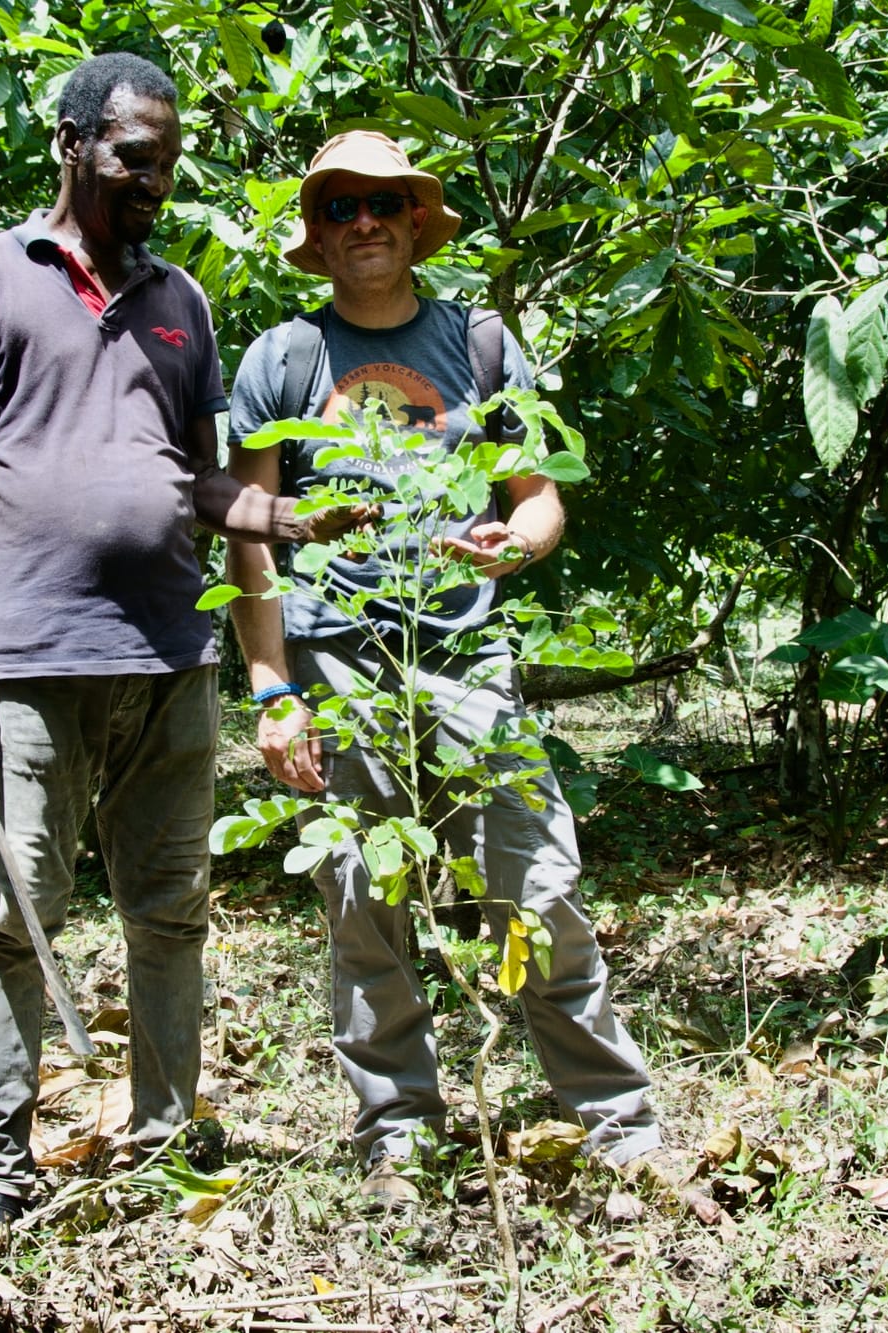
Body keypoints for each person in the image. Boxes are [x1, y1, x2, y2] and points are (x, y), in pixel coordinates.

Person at [0, 52, 340, 1257]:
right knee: (15, 917)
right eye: (132, 157)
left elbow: (195, 477)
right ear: (70, 144)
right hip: (32, 656)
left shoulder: (180, 302)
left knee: (169, 908)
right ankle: (0, 1170)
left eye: (165, 158)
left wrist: (279, 517)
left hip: (169, 652)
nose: (155, 179)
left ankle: (161, 1140)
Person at [224, 131, 661, 1207]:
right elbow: (247, 533)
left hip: (464, 651)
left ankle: (616, 1125)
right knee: (363, 900)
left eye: (381, 202)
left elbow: (538, 493)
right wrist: (272, 688)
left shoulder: (476, 341)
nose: (361, 222)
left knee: (538, 883)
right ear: (315, 238)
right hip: (335, 658)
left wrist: (517, 543)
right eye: (337, 208)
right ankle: (398, 1134)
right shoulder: (282, 357)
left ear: (417, 220)